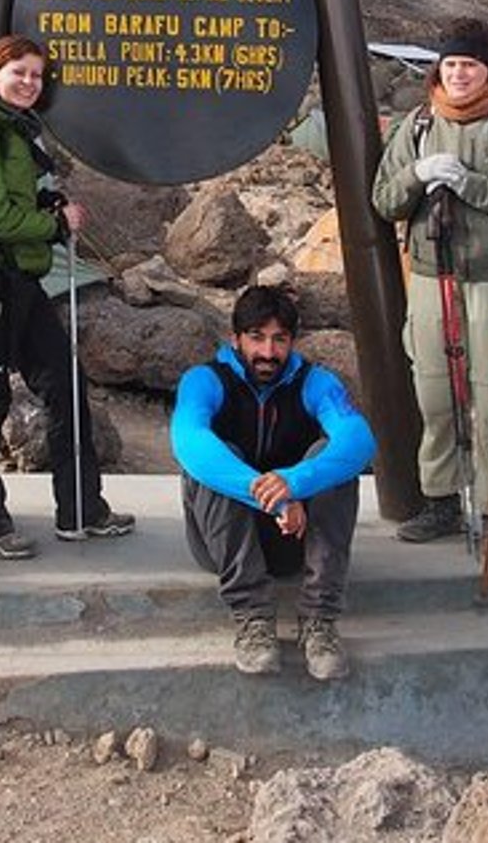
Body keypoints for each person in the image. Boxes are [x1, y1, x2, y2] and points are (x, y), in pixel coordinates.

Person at [370, 17, 488, 553]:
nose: (458, 74)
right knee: (434, 395)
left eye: (469, 65)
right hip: (432, 278)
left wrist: (469, 185)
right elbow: (384, 200)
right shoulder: (418, 125)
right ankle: (441, 502)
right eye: (450, 64)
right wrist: (416, 175)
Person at [0, 34, 133, 557]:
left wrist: (45, 202)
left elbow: (9, 201)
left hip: (18, 279)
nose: (29, 82)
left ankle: (82, 509)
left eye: (36, 75)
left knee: (65, 386)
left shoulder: (11, 126)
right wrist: (53, 224)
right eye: (18, 72)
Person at [169, 285, 376, 680]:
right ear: (235, 339)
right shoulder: (204, 380)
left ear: (292, 341)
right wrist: (276, 497)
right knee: (214, 457)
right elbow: (189, 442)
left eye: (279, 339)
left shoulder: (315, 382)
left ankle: (319, 621)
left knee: (333, 460)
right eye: (256, 337)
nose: (268, 352)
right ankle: (253, 618)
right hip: (221, 541)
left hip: (293, 539)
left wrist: (295, 481)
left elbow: (359, 440)